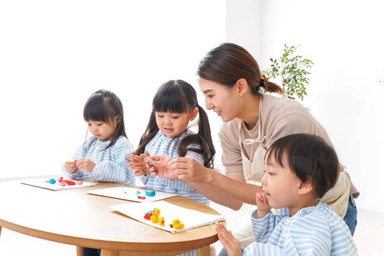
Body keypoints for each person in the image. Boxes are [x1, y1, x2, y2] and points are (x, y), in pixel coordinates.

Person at [147, 43, 359, 254]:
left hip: (321, 207)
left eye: (211, 95)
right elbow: (234, 199)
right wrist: (190, 175)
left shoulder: (286, 120)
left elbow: (286, 190)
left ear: (240, 87)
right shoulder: (229, 130)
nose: (208, 105)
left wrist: (208, 176)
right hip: (282, 208)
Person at [215, 133, 358, 256]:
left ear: (303, 185)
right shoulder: (293, 211)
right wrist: (263, 213)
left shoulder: (312, 226)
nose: (263, 180)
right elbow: (271, 239)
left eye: (271, 173)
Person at [62, 89, 135, 256]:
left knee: (107, 243)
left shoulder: (122, 144)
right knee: (88, 241)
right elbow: (77, 167)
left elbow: (122, 174)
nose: (94, 129)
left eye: (99, 124)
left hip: (115, 207)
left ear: (117, 118)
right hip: (92, 206)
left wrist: (94, 168)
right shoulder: (90, 143)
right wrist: (71, 169)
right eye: (89, 124)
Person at [129, 79, 215, 206]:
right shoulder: (152, 140)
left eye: (174, 117)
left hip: (191, 211)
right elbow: (151, 183)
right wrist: (144, 171)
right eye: (160, 115)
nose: (167, 122)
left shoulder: (193, 144)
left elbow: (191, 179)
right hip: (161, 209)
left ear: (192, 114)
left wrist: (170, 169)